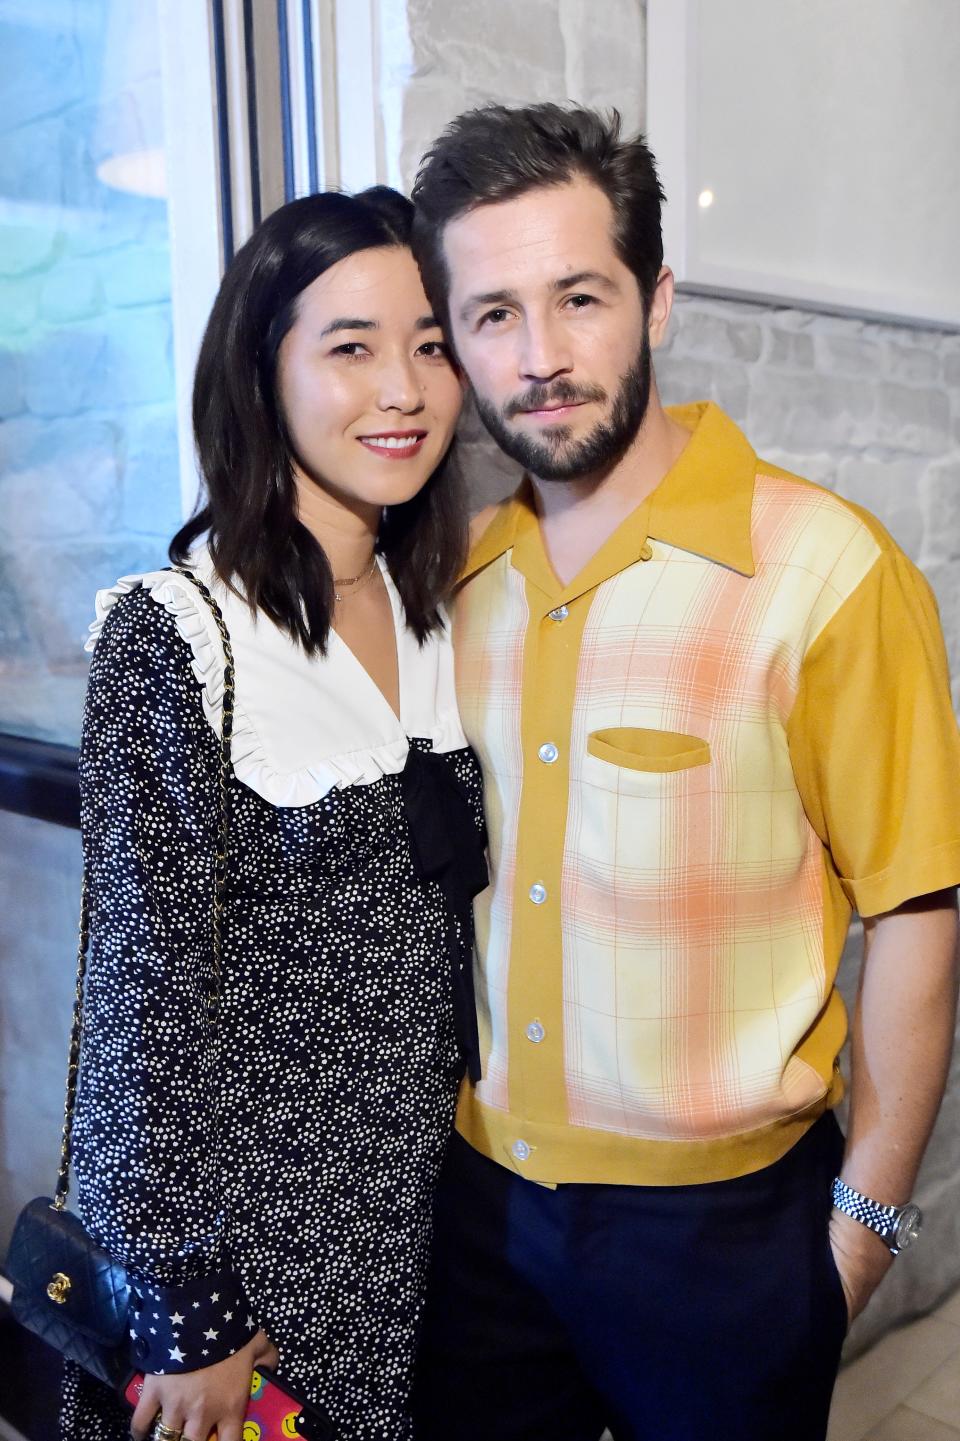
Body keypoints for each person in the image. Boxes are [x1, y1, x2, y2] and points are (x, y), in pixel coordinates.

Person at [408, 103, 960, 1441]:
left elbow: (917, 914)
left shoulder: (827, 570)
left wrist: (861, 1238)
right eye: (490, 316)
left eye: (578, 297)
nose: (539, 359)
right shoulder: (453, 584)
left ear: (655, 301)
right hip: (479, 1217)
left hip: (728, 1236)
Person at [62, 186, 486, 1441]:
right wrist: (187, 1312)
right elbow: (140, 999)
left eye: (431, 344)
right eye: (350, 346)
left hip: (416, 1231)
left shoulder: (439, 615)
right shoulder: (178, 634)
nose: (402, 389)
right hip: (250, 1266)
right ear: (263, 367)